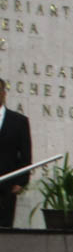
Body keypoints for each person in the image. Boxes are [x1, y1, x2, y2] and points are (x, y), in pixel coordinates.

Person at [0, 79, 32, 227]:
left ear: (4, 93)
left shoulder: (19, 121)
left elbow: (25, 155)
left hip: (6, 187)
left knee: (4, 231)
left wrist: (21, 182)